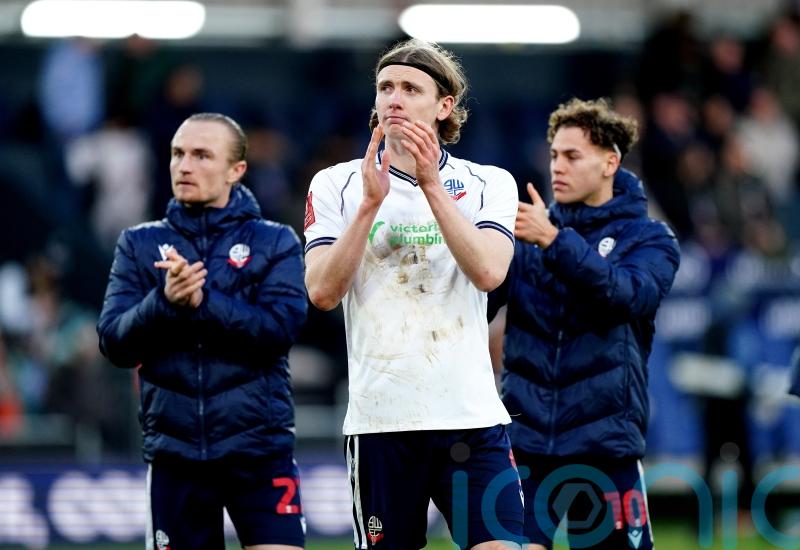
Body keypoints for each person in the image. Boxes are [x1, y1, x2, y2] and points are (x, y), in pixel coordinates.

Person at [304, 39, 524, 550]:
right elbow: (321, 292)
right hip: (382, 421)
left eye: (410, 88)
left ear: (444, 106)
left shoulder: (489, 182)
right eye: (385, 87)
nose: (394, 98)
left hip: (470, 419)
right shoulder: (336, 184)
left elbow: (489, 272)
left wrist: (429, 185)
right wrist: (368, 208)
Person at [97, 112, 308, 550]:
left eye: (201, 155)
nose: (184, 165)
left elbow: (280, 330)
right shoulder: (138, 244)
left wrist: (203, 303)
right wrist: (163, 303)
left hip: (259, 450)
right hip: (176, 457)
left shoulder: (275, 241)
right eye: (177, 154)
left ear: (237, 171)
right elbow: (114, 342)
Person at [489, 98, 680, 550]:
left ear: (610, 162)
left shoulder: (650, 238)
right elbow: (478, 301)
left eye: (573, 156)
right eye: (554, 154)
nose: (558, 166)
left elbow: (627, 296)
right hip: (527, 443)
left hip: (606, 447)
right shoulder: (528, 237)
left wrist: (555, 241)